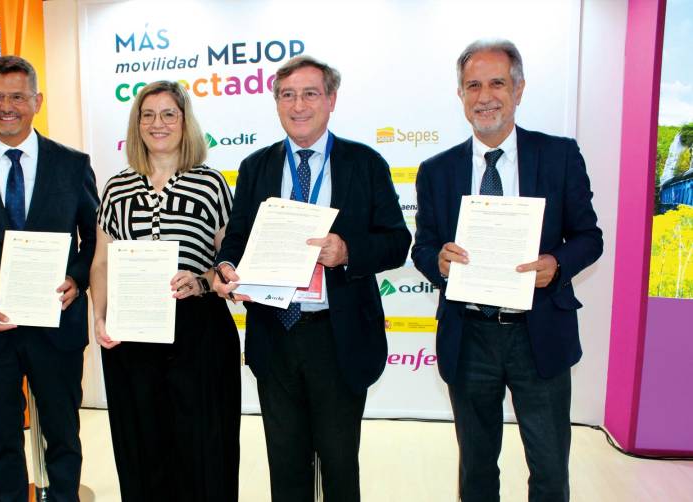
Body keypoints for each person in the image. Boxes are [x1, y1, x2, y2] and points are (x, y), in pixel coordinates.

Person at [411, 39, 603, 502]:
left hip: (538, 333)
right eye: (472, 85)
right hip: (469, 333)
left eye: (497, 82)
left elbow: (589, 237)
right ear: (460, 95)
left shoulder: (558, 156)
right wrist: (437, 261)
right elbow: (424, 247)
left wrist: (557, 264)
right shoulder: (435, 171)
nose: (485, 96)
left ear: (518, 90)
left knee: (550, 466)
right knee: (476, 468)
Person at [213, 56, 411, 501]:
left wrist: (347, 251)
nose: (298, 105)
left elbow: (398, 242)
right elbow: (237, 237)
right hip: (274, 334)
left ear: (332, 100)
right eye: (287, 95)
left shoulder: (365, 163)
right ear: (276, 102)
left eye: (309, 93)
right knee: (285, 464)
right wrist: (226, 267)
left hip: (337, 338)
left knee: (340, 463)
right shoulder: (255, 166)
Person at [0, 55, 99, 502]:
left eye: (18, 97)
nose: (7, 106)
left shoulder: (72, 164)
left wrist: (78, 280)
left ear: (37, 101)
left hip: (57, 326)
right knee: (2, 442)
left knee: (64, 436)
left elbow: (93, 237)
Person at [90, 80, 240, 502]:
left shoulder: (210, 184)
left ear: (184, 122)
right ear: (137, 124)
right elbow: (101, 261)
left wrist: (202, 281)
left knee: (204, 448)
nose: (158, 124)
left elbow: (227, 263)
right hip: (132, 334)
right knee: (144, 449)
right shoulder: (116, 187)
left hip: (198, 332)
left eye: (168, 114)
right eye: (148, 115)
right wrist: (100, 317)